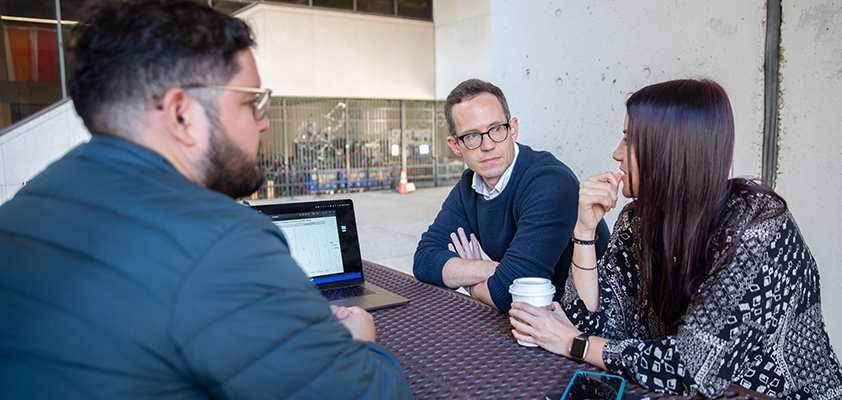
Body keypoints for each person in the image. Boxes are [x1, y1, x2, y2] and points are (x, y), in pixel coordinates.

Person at [0, 1, 412, 399]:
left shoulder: (20, 213)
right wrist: (361, 343)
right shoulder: (221, 240)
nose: (264, 121)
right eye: (251, 102)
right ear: (181, 114)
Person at [509, 78, 842, 399]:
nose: (616, 153)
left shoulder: (757, 229)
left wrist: (573, 343)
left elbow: (690, 366)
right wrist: (584, 232)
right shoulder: (638, 220)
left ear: (668, 150)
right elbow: (593, 326)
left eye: (628, 139)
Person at [413, 79, 610, 312]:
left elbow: (510, 294)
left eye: (496, 129)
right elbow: (424, 260)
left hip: (586, 323)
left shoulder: (550, 182)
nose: (487, 145)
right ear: (456, 146)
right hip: (531, 322)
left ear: (513, 129)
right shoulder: (469, 186)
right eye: (472, 136)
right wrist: (487, 269)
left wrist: (471, 284)